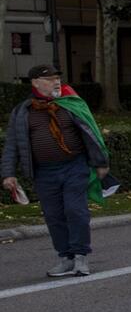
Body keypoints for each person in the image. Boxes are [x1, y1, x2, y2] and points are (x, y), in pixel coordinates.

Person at [2, 64, 111, 278]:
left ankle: (80, 257)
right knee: (53, 216)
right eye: (50, 79)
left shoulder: (70, 105)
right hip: (44, 172)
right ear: (35, 83)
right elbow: (12, 145)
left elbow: (91, 134)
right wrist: (8, 174)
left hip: (74, 167)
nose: (56, 82)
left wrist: (101, 162)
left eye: (57, 78)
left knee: (75, 210)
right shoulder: (23, 111)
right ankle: (65, 257)